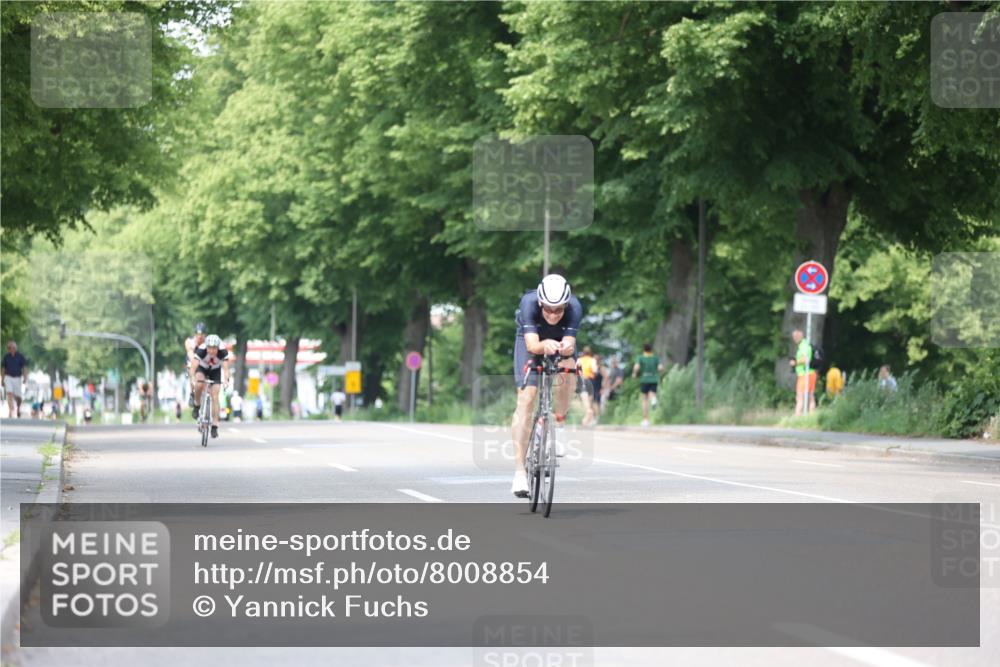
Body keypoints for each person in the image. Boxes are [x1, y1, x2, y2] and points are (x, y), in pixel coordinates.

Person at [510, 274, 583, 498]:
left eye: (558, 310)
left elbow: (570, 345)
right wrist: (545, 345)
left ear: (566, 305)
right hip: (531, 340)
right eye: (548, 309)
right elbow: (532, 345)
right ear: (540, 303)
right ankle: (519, 473)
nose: (552, 314)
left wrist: (565, 348)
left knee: (569, 368)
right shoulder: (528, 303)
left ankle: (558, 423)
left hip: (559, 340)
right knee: (527, 398)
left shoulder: (575, 308)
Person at [189, 334, 232, 438]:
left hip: (215, 371)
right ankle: (197, 404)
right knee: (199, 384)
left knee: (215, 396)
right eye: (209, 348)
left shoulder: (223, 352)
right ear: (206, 347)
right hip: (202, 368)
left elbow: (226, 369)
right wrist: (192, 378)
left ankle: (214, 426)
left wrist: (226, 380)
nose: (211, 351)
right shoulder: (201, 350)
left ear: (218, 348)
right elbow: (193, 367)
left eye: (214, 349)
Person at [632, 343, 663, 427]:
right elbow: (660, 368)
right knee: (652, 394)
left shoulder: (640, 357)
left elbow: (636, 367)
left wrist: (634, 374)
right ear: (651, 349)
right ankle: (653, 399)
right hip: (654, 379)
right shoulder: (655, 358)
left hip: (644, 379)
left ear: (644, 349)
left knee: (645, 400)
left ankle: (645, 420)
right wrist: (659, 373)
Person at [789, 329, 817, 415]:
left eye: (795, 336)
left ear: (799, 336)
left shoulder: (803, 345)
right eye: (793, 336)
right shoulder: (805, 344)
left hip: (805, 374)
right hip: (810, 373)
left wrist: (795, 363)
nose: (794, 338)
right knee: (810, 396)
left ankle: (797, 417)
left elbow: (806, 359)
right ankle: (811, 417)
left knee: (799, 397)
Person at [2, 340, 29, 418]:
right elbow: (3, 369)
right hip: (8, 377)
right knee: (9, 393)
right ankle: (10, 410)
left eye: (14, 347)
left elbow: (24, 367)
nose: (13, 349)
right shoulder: (6, 357)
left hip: (18, 378)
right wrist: (2, 379)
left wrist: (25, 377)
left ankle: (18, 408)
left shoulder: (20, 356)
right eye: (11, 347)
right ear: (9, 349)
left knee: (18, 397)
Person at [185, 322, 207, 406]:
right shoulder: (189, 341)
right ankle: (192, 393)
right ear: (195, 334)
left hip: (204, 359)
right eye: (198, 334)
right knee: (192, 370)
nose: (200, 337)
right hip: (193, 358)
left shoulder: (207, 342)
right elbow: (190, 354)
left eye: (202, 335)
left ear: (205, 335)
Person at [577, 346, 598, 426]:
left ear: (583, 352)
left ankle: (588, 415)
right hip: (591, 380)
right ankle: (588, 419)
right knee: (590, 400)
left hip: (582, 379)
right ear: (590, 353)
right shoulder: (592, 360)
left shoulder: (579, 360)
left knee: (584, 399)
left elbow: (577, 370)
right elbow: (595, 370)